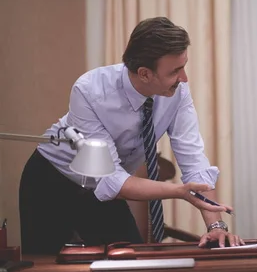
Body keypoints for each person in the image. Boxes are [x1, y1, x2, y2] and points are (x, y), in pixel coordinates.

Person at [19, 16, 243, 255]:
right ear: (145, 74)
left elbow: (194, 161)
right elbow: (109, 177)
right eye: (175, 71)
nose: (184, 78)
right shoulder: (89, 90)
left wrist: (216, 225)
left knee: (130, 262)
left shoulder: (177, 93)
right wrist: (178, 192)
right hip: (52, 180)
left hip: (102, 190)